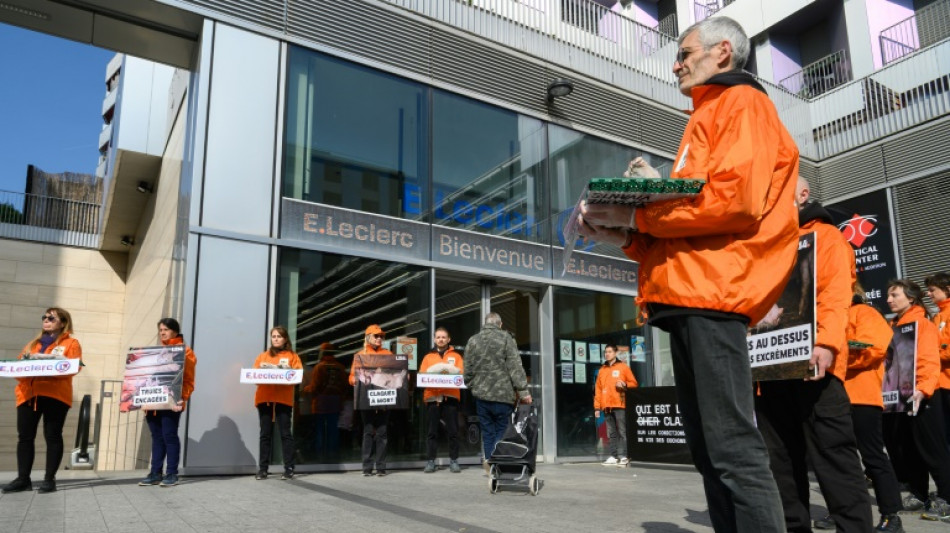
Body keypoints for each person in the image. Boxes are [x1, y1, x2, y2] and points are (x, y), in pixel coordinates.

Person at [577, 16, 798, 532]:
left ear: (723, 52)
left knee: (732, 449)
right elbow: (698, 222)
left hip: (714, 294)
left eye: (684, 52)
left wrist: (639, 215)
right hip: (694, 292)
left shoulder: (740, 104)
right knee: (709, 449)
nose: (676, 64)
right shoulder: (711, 111)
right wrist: (627, 236)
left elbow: (734, 202)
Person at [755, 176, 872, 533]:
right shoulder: (768, 241)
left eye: (780, 188)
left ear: (803, 194)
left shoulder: (826, 236)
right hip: (772, 369)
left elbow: (835, 294)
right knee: (782, 463)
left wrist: (826, 343)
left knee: (833, 457)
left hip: (813, 364)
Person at [814, 282, 902, 531]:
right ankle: (843, 509)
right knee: (837, 459)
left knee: (873, 457)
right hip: (831, 397)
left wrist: (835, 354)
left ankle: (891, 515)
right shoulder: (828, 317)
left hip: (861, 397)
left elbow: (870, 348)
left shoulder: (865, 313)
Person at [883, 279, 950, 521]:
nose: (889, 299)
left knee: (933, 448)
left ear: (910, 298)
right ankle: (919, 493)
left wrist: (923, 389)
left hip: (924, 393)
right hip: (900, 396)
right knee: (908, 448)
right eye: (888, 295)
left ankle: (946, 496)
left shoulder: (922, 324)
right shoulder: (893, 325)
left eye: (894, 295)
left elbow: (929, 360)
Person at [1, 308, 82, 494]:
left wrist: (51, 364)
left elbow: (73, 367)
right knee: (25, 437)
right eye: (44, 317)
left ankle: (49, 479)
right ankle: (23, 479)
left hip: (55, 395)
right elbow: (19, 369)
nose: (46, 320)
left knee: (53, 435)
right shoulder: (33, 344)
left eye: (51, 318)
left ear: (62, 322)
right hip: (28, 395)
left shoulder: (71, 343)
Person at [463, 312, 531, 471]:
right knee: (502, 430)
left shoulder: (473, 341)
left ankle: (489, 460)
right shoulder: (507, 339)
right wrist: (523, 392)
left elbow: (467, 369)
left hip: (482, 396)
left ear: (485, 324)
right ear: (500, 324)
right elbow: (515, 367)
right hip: (503, 396)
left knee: (487, 432)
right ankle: (497, 461)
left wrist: (473, 386)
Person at [139, 318, 197, 488]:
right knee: (157, 437)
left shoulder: (185, 352)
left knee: (169, 436)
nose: (162, 332)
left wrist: (182, 398)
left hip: (171, 401)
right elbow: (144, 378)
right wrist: (140, 398)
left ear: (174, 331)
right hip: (152, 401)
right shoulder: (155, 352)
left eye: (165, 329)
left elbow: (188, 380)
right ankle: (155, 472)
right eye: (160, 330)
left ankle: (171, 473)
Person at [253, 326, 303, 480]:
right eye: (273, 336)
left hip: (283, 399)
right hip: (265, 399)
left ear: (285, 339)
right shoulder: (263, 356)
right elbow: (255, 376)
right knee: (265, 435)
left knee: (285, 434)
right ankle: (263, 469)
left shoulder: (292, 356)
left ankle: (289, 468)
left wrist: (287, 372)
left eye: (279, 336)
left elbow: (298, 376)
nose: (275, 339)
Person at [349, 324, 395, 476]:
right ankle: (367, 468)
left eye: (381, 336)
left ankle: (381, 467)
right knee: (368, 432)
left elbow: (397, 373)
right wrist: (354, 380)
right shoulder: (360, 355)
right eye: (376, 336)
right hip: (366, 399)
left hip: (384, 399)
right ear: (368, 337)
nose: (379, 338)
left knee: (382, 432)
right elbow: (351, 377)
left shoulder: (388, 354)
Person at [419, 327, 464, 473]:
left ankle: (454, 461)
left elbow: (461, 375)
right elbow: (422, 375)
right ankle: (431, 461)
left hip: (450, 398)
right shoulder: (428, 357)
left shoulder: (456, 357)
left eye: (444, 337)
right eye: (438, 337)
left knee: (453, 431)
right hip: (433, 398)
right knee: (432, 432)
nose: (441, 339)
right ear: (434, 339)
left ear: (449, 339)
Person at [593, 343, 638, 467]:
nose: (607, 354)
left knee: (622, 431)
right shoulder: (602, 370)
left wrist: (624, 384)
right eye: (606, 352)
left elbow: (634, 383)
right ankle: (613, 456)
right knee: (611, 433)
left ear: (615, 353)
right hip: (607, 405)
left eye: (610, 352)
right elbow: (598, 390)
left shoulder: (623, 367)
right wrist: (597, 407)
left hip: (620, 404)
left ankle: (624, 456)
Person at [303, 342, 347, 461]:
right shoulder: (340, 367)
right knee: (333, 429)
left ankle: (320, 455)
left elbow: (315, 386)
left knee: (320, 430)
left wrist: (305, 389)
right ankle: (333, 453)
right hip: (335, 402)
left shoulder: (320, 367)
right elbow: (344, 385)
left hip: (321, 402)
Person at [924, 271, 950, 447]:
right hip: (940, 383)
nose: (928, 294)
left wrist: (931, 356)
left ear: (947, 289)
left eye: (932, 290)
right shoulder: (937, 315)